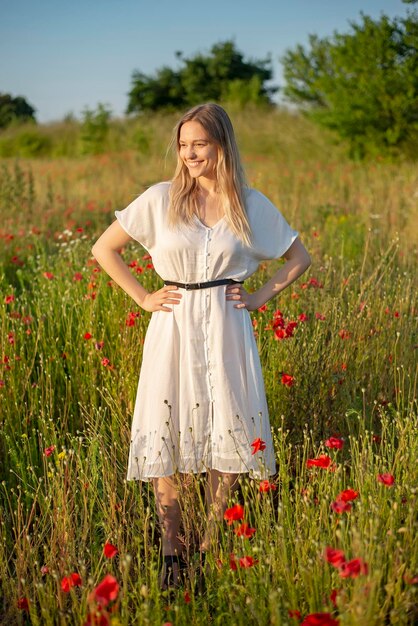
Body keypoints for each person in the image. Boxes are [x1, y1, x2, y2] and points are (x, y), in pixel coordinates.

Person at [91, 103, 311, 590]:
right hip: (172, 325)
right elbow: (104, 248)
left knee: (225, 427)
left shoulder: (250, 204)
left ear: (222, 146)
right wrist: (143, 296)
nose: (189, 153)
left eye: (200, 144)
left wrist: (257, 297)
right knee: (166, 429)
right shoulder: (159, 199)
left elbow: (300, 256)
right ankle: (172, 551)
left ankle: (210, 547)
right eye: (183, 144)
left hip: (227, 325)